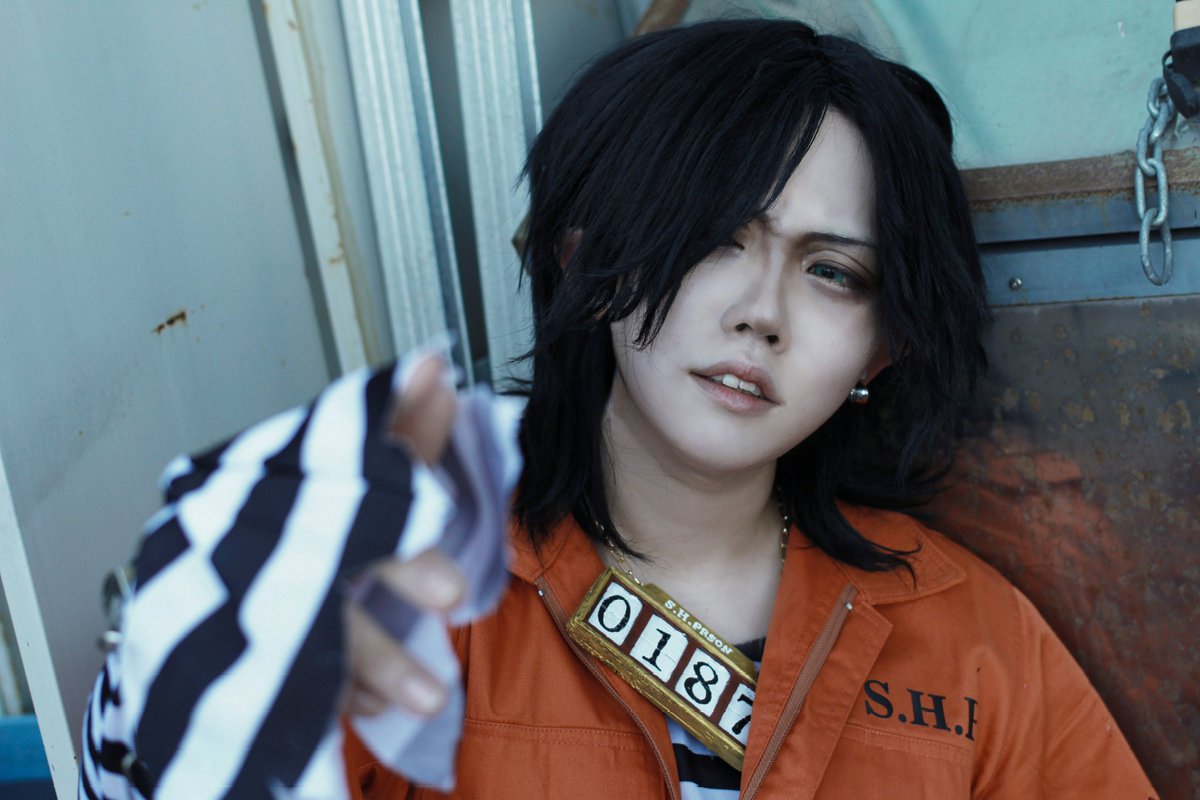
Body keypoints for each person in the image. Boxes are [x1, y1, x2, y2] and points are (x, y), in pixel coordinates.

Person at [82, 19, 1157, 800]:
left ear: (884, 346)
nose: (761, 312)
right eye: (717, 237)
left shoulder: (970, 637)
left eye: (834, 273)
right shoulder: (400, 582)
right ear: (586, 256)